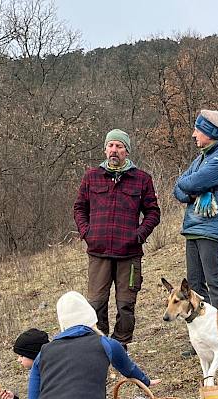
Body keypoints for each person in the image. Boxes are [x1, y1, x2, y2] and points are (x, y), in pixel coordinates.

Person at [73, 129, 161, 348]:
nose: (114, 150)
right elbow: (79, 208)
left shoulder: (141, 179)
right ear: (105, 149)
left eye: (119, 146)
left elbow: (153, 212)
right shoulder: (91, 177)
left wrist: (139, 235)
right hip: (98, 253)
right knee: (96, 304)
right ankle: (100, 346)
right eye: (110, 145)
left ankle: (120, 346)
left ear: (126, 151)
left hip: (129, 255)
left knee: (125, 305)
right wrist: (87, 233)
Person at [27, 291, 160, 399]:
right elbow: (129, 369)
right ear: (91, 317)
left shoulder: (43, 353)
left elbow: (33, 394)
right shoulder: (106, 344)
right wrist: (146, 382)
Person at [173, 110, 218, 317]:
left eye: (197, 130)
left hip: (210, 230)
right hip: (193, 229)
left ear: (208, 132)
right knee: (194, 286)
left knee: (215, 283)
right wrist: (194, 193)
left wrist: (193, 186)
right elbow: (178, 189)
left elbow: (189, 182)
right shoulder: (202, 159)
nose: (194, 135)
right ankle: (204, 338)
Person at [0, 328, 49, 399]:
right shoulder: (44, 372)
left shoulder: (46, 379)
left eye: (22, 356)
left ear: (33, 354)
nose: (18, 360)